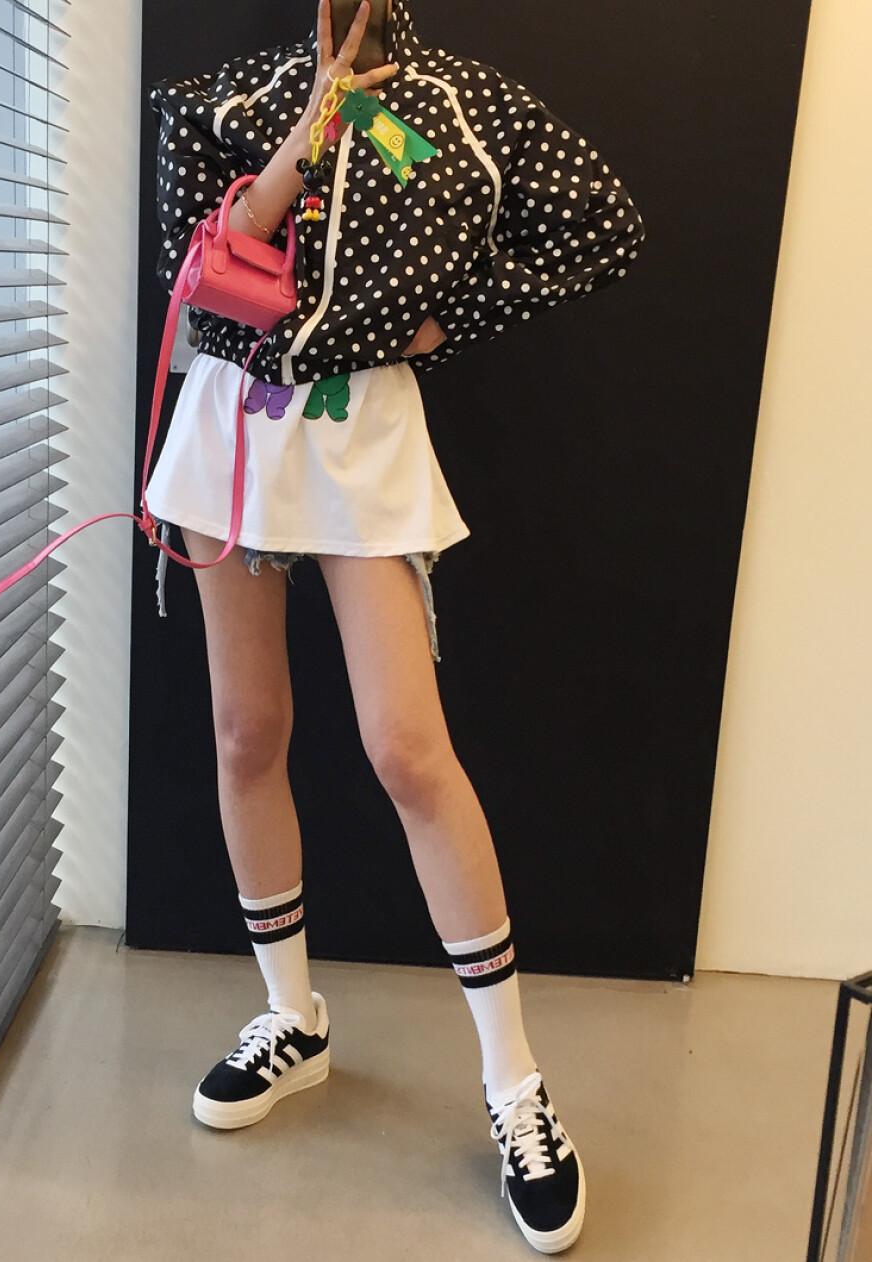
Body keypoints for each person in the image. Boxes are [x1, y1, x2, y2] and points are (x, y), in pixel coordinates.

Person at [144, 0, 645, 1252]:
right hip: (230, 419)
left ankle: (514, 1082)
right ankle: (292, 1016)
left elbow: (604, 224)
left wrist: (450, 320)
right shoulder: (222, 100)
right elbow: (197, 261)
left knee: (408, 751)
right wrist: (312, 125)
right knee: (246, 731)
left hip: (360, 428)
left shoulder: (465, 106)